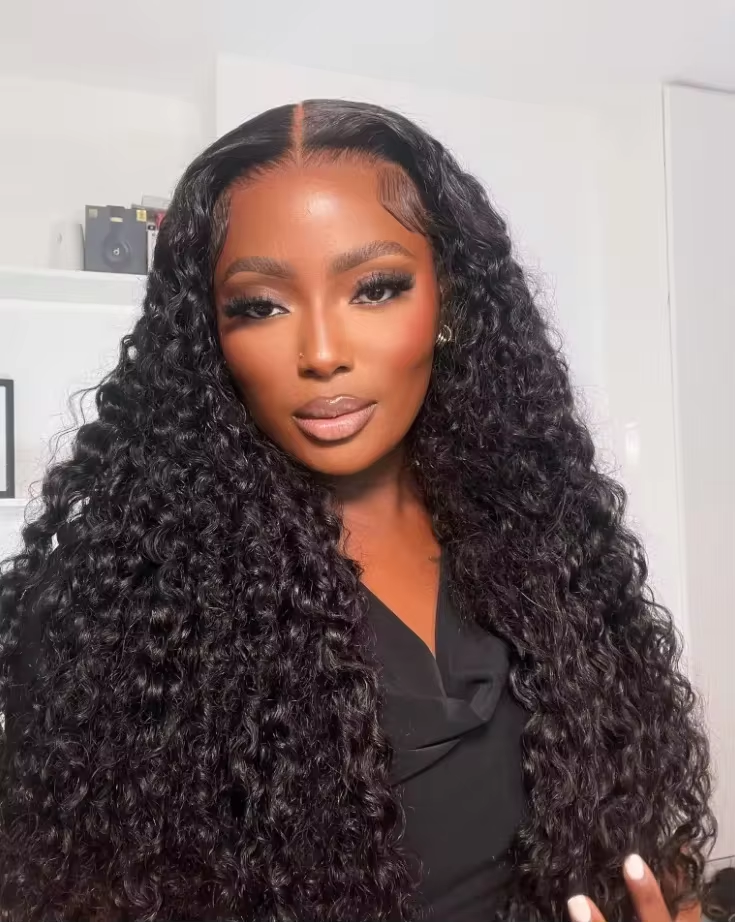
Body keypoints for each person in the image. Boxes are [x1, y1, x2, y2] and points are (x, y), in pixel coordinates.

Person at [0, 100, 714, 922]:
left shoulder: (543, 537)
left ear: (449, 303)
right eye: (259, 305)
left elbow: (635, 823)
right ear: (208, 338)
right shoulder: (115, 610)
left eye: (375, 289)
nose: (321, 352)